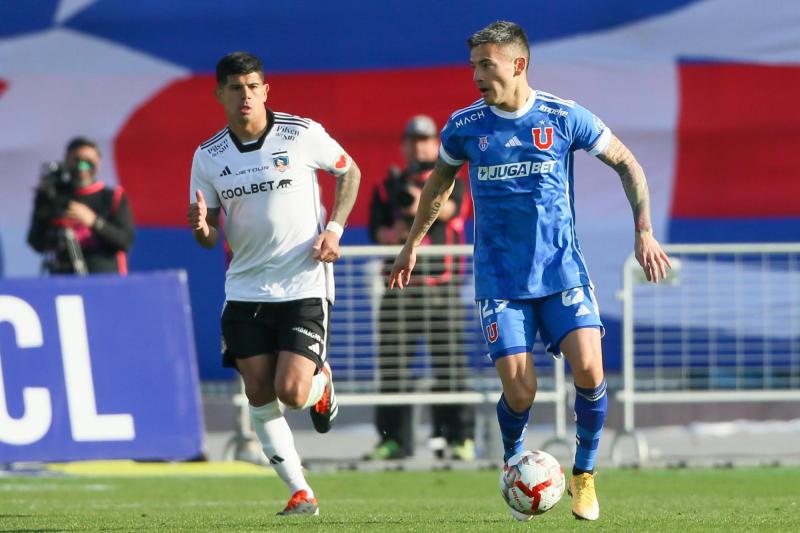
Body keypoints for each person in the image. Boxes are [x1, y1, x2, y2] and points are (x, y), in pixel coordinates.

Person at [389, 22, 671, 521]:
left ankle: (584, 475)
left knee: (591, 369)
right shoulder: (465, 125)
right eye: (473, 64)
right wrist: (412, 244)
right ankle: (514, 463)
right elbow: (439, 186)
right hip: (501, 281)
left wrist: (643, 230)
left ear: (517, 65)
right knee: (522, 391)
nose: (476, 74)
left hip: (562, 271)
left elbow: (627, 162)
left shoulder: (562, 117)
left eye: (486, 64)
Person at [187, 52, 361, 516]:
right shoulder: (209, 156)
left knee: (293, 392)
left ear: (265, 90)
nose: (244, 95)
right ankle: (300, 489)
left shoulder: (299, 133)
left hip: (303, 283)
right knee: (259, 393)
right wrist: (202, 228)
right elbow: (207, 240)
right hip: (244, 291)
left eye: (252, 86)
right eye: (234, 88)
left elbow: (350, 171)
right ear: (219, 95)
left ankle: (321, 384)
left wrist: (335, 230)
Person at [367, 115, 475, 461]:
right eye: (412, 139)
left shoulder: (450, 180)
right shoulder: (388, 186)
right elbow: (377, 231)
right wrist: (396, 232)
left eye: (425, 139)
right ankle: (393, 439)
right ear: (404, 146)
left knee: (450, 368)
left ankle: (456, 439)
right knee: (393, 367)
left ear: (436, 143)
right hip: (400, 289)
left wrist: (421, 203)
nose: (419, 145)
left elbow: (453, 210)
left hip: (442, 289)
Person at [27, 137, 135, 274]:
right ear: (67, 161)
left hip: (104, 279)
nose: (82, 166)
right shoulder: (55, 197)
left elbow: (125, 241)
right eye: (76, 160)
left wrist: (93, 221)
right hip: (64, 280)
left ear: (98, 162)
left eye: (88, 161)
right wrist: (42, 202)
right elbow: (37, 243)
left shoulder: (113, 197)